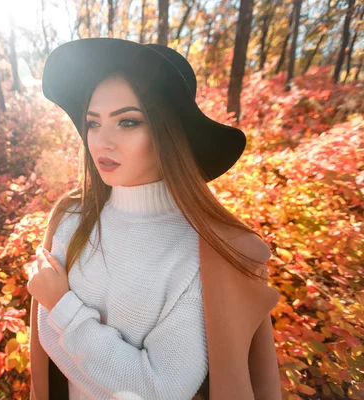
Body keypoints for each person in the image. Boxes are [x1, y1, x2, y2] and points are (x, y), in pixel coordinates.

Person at [27, 38, 282, 400]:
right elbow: (48, 342)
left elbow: (160, 389)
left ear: (168, 134)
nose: (101, 142)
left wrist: (64, 308)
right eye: (93, 123)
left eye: (128, 122)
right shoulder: (70, 218)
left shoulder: (204, 253)